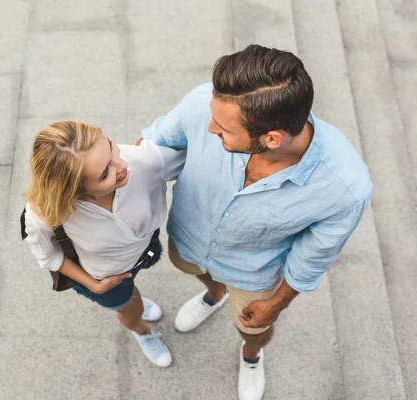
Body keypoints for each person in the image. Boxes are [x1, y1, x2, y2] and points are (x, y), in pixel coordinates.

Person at [140, 44, 372, 399]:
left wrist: (275, 304)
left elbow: (311, 260)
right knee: (192, 268)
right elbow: (152, 145)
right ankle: (212, 295)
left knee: (254, 329)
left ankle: (251, 356)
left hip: (253, 275)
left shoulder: (345, 189)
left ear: (272, 139)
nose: (208, 128)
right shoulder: (205, 102)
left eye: (222, 129)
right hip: (187, 242)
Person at [23, 121, 185, 368]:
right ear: (74, 193)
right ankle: (141, 331)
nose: (122, 165)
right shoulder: (44, 213)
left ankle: (134, 302)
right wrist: (94, 286)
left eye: (111, 147)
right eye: (104, 174)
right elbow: (48, 256)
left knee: (133, 298)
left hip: (145, 249)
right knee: (131, 309)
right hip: (105, 277)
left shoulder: (141, 161)